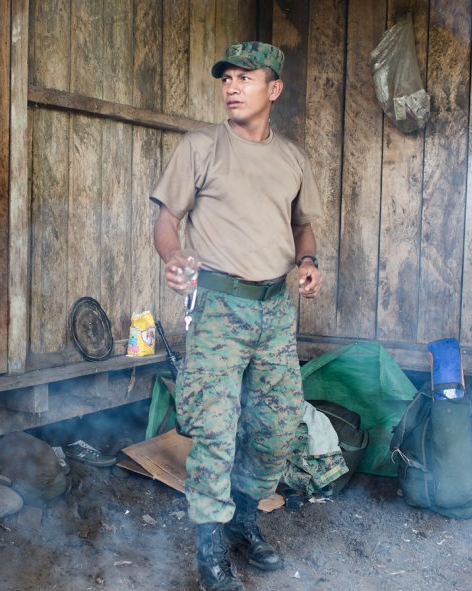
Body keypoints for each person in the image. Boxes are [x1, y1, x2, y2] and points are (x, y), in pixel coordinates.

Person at [150, 41, 323, 591]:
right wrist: (174, 256)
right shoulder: (201, 146)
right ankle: (211, 550)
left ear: (273, 89)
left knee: (275, 425)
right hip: (219, 309)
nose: (231, 86)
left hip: (275, 309)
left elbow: (303, 225)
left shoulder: (292, 158)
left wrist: (310, 260)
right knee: (216, 431)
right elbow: (166, 219)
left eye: (245, 78)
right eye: (226, 78)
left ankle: (244, 522)